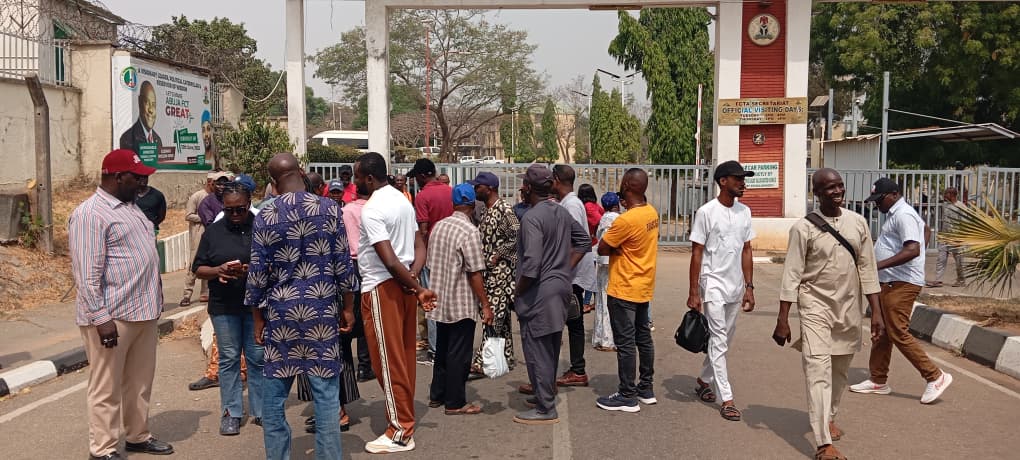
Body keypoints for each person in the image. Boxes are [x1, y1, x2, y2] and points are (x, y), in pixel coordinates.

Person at [245, 153, 357, 460]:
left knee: (274, 397)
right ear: (302, 172)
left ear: (273, 182)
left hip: (281, 316)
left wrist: (257, 319)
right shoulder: (329, 209)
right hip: (321, 312)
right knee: (326, 396)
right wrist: (348, 308)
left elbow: (257, 274)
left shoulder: (266, 215)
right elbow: (343, 265)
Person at [69, 149, 174, 460]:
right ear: (117, 177)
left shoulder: (132, 208)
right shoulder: (90, 214)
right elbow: (86, 274)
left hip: (143, 312)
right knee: (106, 387)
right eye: (137, 177)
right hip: (112, 316)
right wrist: (100, 318)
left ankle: (138, 436)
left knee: (139, 383)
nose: (143, 182)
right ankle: (102, 448)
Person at [774, 169, 885, 460]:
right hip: (814, 307)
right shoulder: (803, 229)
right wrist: (783, 319)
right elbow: (792, 275)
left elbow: (868, 268)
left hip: (849, 308)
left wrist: (876, 312)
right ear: (817, 193)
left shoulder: (858, 223)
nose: (837, 192)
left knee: (839, 370)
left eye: (839, 186)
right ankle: (823, 442)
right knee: (817, 369)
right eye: (829, 188)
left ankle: (828, 416)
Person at [354, 152, 437, 453]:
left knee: (388, 361)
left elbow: (388, 259)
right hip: (403, 284)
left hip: (383, 288)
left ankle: (400, 431)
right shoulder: (402, 200)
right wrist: (414, 278)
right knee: (402, 357)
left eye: (357, 176)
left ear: (369, 178)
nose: (354, 181)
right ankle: (403, 419)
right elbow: (419, 244)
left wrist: (416, 287)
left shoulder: (373, 208)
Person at [850, 178, 954, 404]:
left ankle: (935, 376)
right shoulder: (898, 214)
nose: (877, 204)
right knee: (882, 331)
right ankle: (878, 379)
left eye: (880, 199)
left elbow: (912, 249)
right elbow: (925, 230)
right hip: (891, 281)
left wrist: (877, 265)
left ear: (894, 195)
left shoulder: (903, 214)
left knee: (897, 331)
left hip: (903, 282)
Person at [513, 164, 591, 425]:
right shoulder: (560, 211)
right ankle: (543, 395)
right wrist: (564, 268)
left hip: (539, 292)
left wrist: (517, 292)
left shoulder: (532, 218)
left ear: (528, 188)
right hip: (559, 287)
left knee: (537, 348)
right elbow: (584, 241)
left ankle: (545, 407)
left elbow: (532, 265)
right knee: (549, 347)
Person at [191, 184, 264, 436]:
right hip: (224, 307)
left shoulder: (262, 227)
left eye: (240, 209)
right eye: (229, 209)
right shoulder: (213, 232)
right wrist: (218, 270)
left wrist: (253, 270)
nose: (235, 214)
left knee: (257, 357)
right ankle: (231, 412)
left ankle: (261, 410)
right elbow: (198, 268)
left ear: (249, 203)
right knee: (230, 358)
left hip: (256, 306)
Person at [687, 160, 756, 422]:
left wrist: (749, 287)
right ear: (723, 181)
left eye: (743, 179)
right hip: (712, 283)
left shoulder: (745, 212)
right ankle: (726, 398)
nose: (742, 183)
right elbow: (696, 253)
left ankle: (704, 379)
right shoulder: (706, 212)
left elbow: (747, 249)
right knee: (718, 338)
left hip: (735, 285)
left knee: (724, 338)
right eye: (738, 179)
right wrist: (694, 291)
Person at [426, 183, 495, 415]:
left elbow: (430, 262)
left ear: (454, 204)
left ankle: (437, 394)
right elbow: (475, 272)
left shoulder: (439, 226)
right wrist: (485, 304)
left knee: (443, 348)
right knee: (459, 352)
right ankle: (455, 402)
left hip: (440, 297)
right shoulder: (470, 231)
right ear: (472, 205)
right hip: (461, 300)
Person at [595, 169, 659, 413]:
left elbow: (602, 247)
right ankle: (646, 388)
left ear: (629, 186)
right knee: (643, 338)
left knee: (625, 343)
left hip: (624, 287)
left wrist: (619, 249)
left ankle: (627, 395)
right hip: (643, 285)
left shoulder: (626, 220)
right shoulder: (651, 212)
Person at [468, 172, 520, 377]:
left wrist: (498, 255)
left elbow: (516, 234)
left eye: (478, 186)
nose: (475, 190)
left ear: (489, 188)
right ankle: (506, 357)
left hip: (501, 273)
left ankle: (481, 362)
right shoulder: (486, 210)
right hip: (489, 273)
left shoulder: (504, 209)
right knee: (502, 317)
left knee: (492, 317)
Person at [549, 164, 596, 389]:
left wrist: (565, 270)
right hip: (570, 273)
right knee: (572, 321)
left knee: (573, 321)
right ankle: (576, 369)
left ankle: (577, 370)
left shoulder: (572, 205)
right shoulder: (567, 203)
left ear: (557, 180)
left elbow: (578, 241)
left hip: (573, 275)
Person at [408, 158, 453, 362]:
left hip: (432, 254)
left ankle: (435, 350)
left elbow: (423, 229)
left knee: (431, 302)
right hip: (452, 251)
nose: (415, 181)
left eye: (416, 177)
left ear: (422, 176)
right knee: (449, 300)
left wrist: (420, 255)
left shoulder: (423, 196)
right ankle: (449, 347)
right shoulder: (449, 191)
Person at [339, 182, 375, 383]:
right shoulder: (373, 210)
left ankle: (347, 368)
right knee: (365, 316)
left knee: (348, 313)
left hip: (348, 264)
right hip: (368, 264)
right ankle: (364, 366)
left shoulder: (346, 211)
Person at [592, 192, 621, 352]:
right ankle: (612, 339)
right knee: (614, 302)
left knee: (602, 301)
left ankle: (602, 337)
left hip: (602, 264)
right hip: (615, 264)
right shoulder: (619, 219)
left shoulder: (604, 219)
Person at [181, 173, 214, 308]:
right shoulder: (197, 196)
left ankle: (205, 293)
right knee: (194, 263)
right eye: (215, 183)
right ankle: (187, 294)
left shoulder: (216, 197)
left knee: (208, 262)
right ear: (209, 182)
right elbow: (188, 215)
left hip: (211, 233)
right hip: (198, 233)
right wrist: (204, 217)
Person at [927, 187, 967, 288]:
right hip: (945, 237)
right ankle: (938, 280)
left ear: (952, 195)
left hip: (956, 238)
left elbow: (965, 223)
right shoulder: (945, 205)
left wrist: (961, 238)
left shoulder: (961, 207)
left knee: (959, 261)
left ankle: (961, 279)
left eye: (946, 194)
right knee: (941, 259)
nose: (944, 196)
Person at [118, 81, 162, 154]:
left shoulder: (158, 140)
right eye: (147, 103)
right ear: (139, 102)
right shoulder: (128, 138)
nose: (151, 110)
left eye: (154, 105)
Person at [578, 183, 602, 314]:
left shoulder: (588, 206)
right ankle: (594, 301)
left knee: (589, 275)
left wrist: (593, 232)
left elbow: (599, 220)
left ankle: (586, 303)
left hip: (591, 245)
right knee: (592, 275)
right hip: (593, 243)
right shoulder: (594, 205)